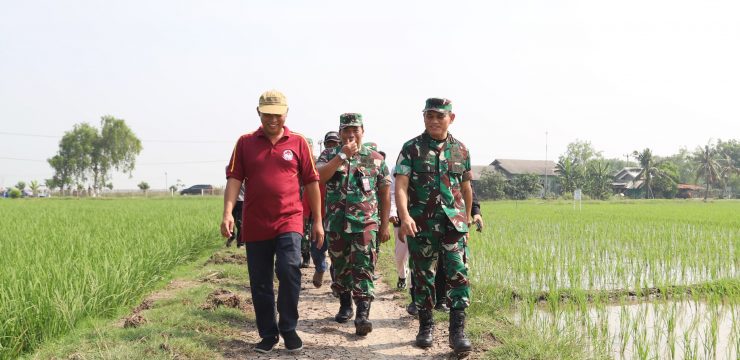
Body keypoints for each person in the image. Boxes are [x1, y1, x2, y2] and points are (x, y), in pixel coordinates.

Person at [221, 90, 324, 354]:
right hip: (256, 223)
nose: (273, 119)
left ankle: (288, 327)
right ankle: (268, 334)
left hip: (290, 219)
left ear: (286, 113)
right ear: (259, 113)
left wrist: (318, 221)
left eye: (277, 114)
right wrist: (228, 213)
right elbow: (234, 179)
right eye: (267, 114)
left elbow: (312, 183)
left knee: (290, 269)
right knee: (260, 282)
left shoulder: (299, 142)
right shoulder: (245, 143)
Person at [395, 97, 473, 356]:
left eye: (440, 115)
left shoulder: (461, 150)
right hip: (422, 224)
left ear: (451, 118)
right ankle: (425, 327)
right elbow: (402, 185)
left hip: (454, 225)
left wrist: (468, 219)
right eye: (430, 115)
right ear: (424, 117)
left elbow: (465, 187)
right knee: (423, 276)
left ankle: (457, 333)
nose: (434, 120)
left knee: (458, 275)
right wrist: (405, 216)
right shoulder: (411, 148)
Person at [317, 113, 391, 336]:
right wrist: (341, 156)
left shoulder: (375, 158)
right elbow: (319, 177)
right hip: (337, 224)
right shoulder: (329, 154)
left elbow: (385, 193)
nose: (350, 135)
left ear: (362, 131)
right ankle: (345, 303)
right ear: (340, 133)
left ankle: (363, 315)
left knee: (364, 268)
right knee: (340, 266)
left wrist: (384, 225)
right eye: (346, 131)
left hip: (365, 224)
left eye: (355, 130)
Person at [303, 131, 341, 288]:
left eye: (335, 144)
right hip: (319, 217)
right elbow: (309, 191)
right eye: (329, 144)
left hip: (338, 217)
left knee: (338, 253)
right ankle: (320, 267)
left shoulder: (347, 166)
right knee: (317, 249)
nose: (332, 147)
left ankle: (337, 284)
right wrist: (306, 214)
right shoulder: (318, 166)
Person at [226, 179, 246, 248]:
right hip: (232, 201)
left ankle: (240, 243)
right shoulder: (231, 170)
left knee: (240, 223)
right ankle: (231, 236)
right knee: (231, 222)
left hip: (243, 201)